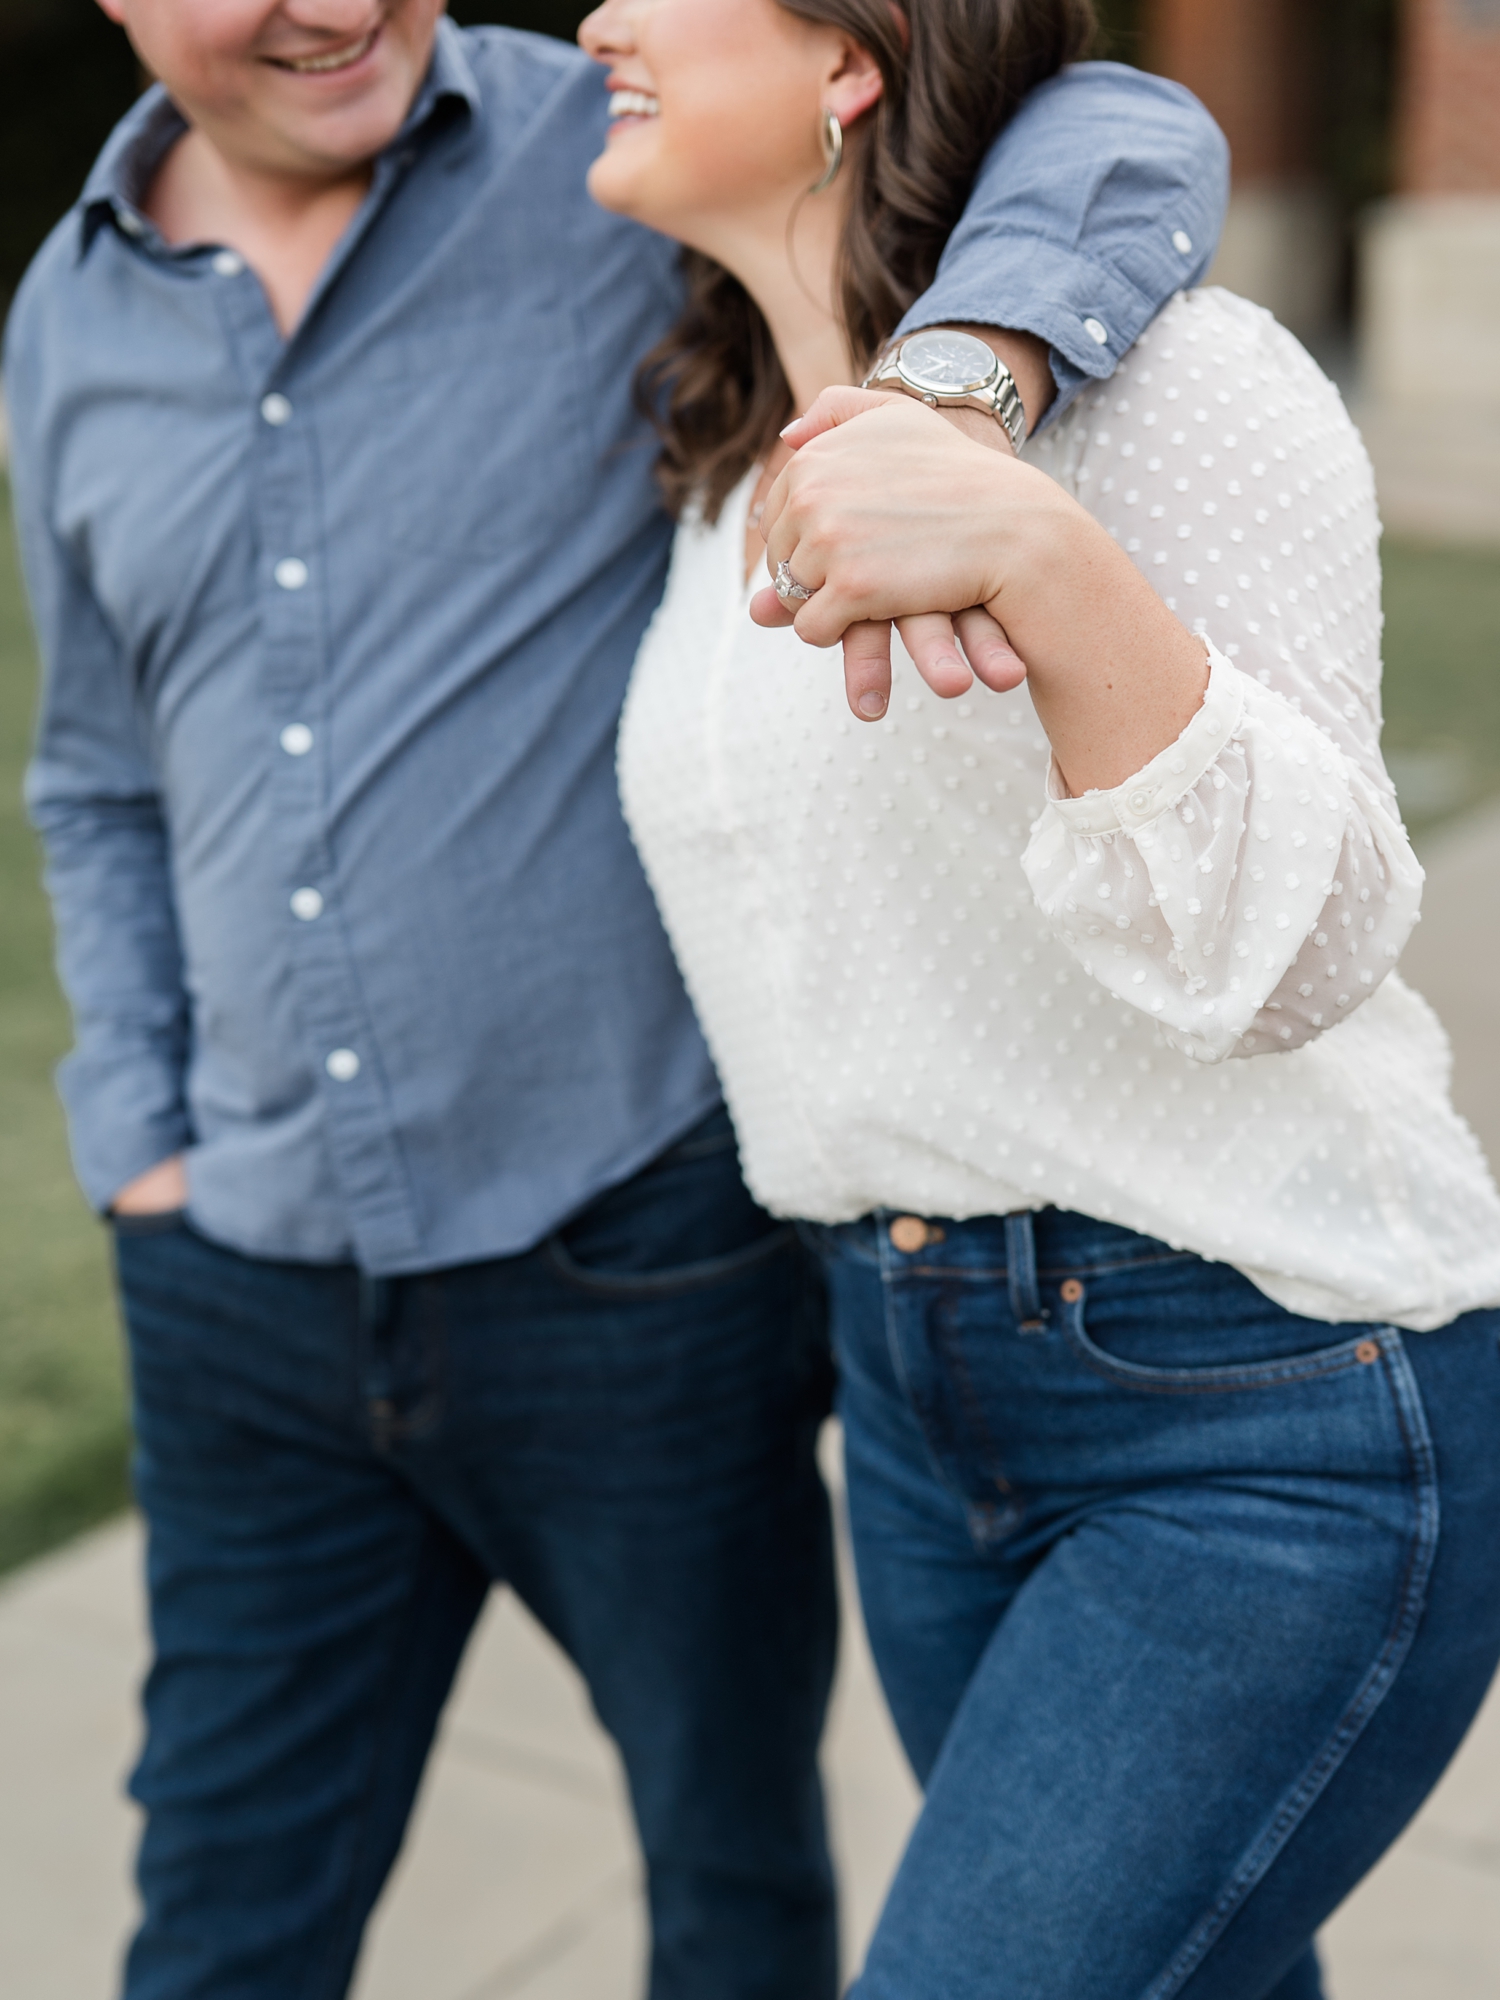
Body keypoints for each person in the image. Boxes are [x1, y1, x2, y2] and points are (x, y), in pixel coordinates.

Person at [2, 0, 1228, 1994]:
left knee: (731, 1884)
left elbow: (1124, 130)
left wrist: (955, 381)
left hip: (634, 1269)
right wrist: (134, 1137)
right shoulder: (66, 319)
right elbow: (96, 771)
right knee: (221, 1919)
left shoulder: (633, 144)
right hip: (240, 1285)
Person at [582, 0, 1500, 1994]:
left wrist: (1042, 557)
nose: (595, 20)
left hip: (1260, 1401)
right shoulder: (729, 460)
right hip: (915, 1400)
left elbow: (1319, 944)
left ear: (851, 61)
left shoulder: (1177, 387)